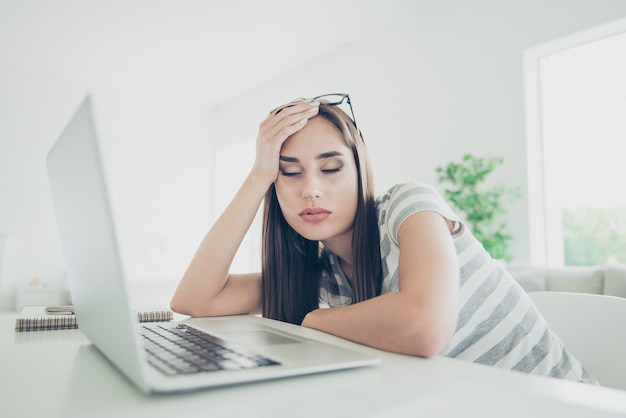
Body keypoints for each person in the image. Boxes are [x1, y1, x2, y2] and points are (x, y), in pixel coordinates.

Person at [170, 93, 596, 384]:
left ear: (360, 171)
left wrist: (313, 321)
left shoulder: (409, 208)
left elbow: (423, 327)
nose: (311, 189)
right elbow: (195, 301)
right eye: (289, 172)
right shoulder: (318, 274)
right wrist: (257, 176)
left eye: (331, 168)